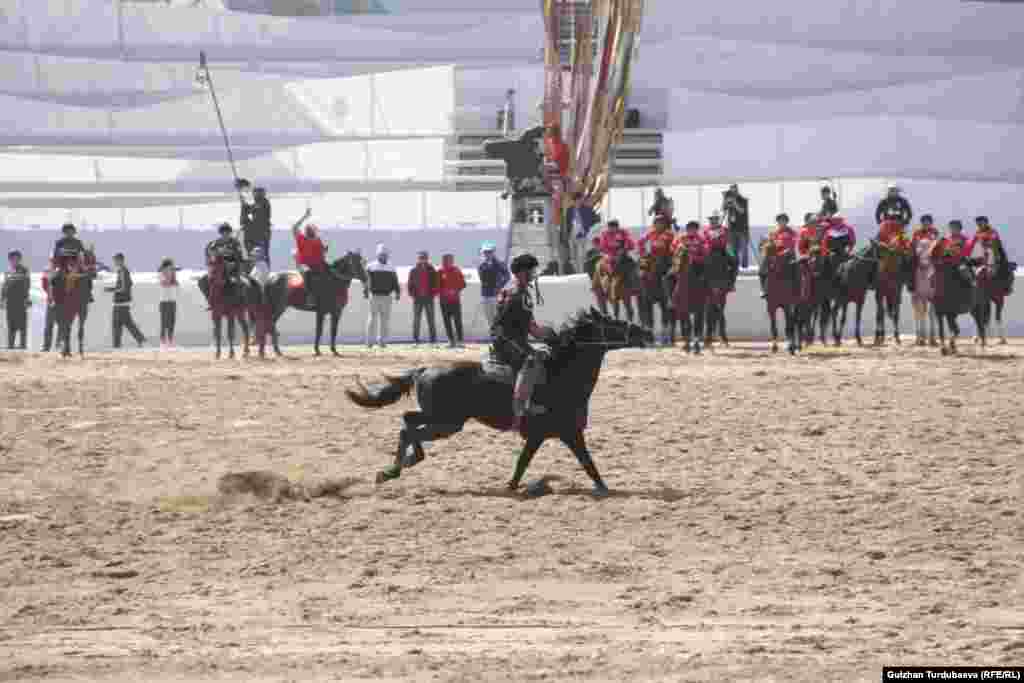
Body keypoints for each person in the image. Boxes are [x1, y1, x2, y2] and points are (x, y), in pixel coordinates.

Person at [489, 253, 556, 425]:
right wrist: (545, 334)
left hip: (513, 338)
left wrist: (548, 333)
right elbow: (528, 327)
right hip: (508, 339)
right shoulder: (517, 293)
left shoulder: (516, 289)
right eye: (530, 271)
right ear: (520, 273)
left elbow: (529, 324)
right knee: (532, 359)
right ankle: (521, 405)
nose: (533, 275)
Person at [199, 222, 245, 307]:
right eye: (223, 233)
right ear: (220, 233)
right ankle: (210, 300)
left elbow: (240, 258)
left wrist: (233, 264)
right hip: (217, 269)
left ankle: (240, 303)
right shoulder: (214, 244)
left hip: (232, 270)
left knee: (241, 284)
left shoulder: (235, 243)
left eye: (227, 232)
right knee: (202, 281)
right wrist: (213, 258)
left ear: (230, 233)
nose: (225, 234)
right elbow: (208, 255)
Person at [105, 252, 145, 348]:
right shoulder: (122, 271)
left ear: (120, 260)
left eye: (115, 260)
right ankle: (140, 340)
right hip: (122, 303)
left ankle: (117, 345)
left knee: (118, 325)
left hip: (121, 303)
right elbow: (125, 286)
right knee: (126, 324)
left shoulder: (123, 271)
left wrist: (111, 290)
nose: (114, 262)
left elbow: (123, 288)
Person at [365, 244, 400, 348]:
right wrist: (365, 291)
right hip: (374, 296)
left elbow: (395, 281)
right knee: (372, 319)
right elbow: (366, 281)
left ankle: (382, 342)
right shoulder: (370, 266)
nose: (383, 256)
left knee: (385, 320)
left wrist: (398, 292)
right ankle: (369, 342)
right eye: (381, 255)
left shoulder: (391, 267)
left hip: (387, 297)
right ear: (377, 255)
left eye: (385, 255)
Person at [290, 208, 326, 308]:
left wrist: (324, 252)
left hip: (317, 264)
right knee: (309, 274)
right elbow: (294, 227)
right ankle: (310, 297)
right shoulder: (301, 238)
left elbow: (322, 253)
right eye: (311, 231)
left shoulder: (317, 240)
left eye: (314, 231)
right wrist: (305, 216)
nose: (313, 233)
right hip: (304, 265)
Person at [759, 213, 798, 297]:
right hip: (775, 254)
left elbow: (794, 243)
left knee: (797, 269)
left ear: (786, 222)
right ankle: (763, 289)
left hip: (788, 254)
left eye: (783, 220)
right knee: (762, 269)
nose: (781, 222)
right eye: (780, 221)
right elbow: (768, 242)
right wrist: (765, 246)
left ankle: (797, 289)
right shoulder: (773, 232)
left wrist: (787, 250)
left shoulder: (791, 232)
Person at [407, 250, 440, 345]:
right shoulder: (413, 270)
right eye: (421, 258)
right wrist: (413, 295)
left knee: (431, 319)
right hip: (417, 299)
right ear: (418, 259)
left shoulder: (431, 269)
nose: (422, 259)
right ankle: (415, 339)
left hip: (429, 298)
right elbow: (410, 284)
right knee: (416, 320)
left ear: (427, 258)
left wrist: (433, 294)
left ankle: (433, 340)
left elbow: (436, 283)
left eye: (424, 257)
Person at [238, 179, 272, 266]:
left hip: (261, 234)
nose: (256, 194)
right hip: (251, 234)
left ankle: (264, 272)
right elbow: (246, 213)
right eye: (255, 192)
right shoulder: (257, 202)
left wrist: (245, 189)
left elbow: (252, 209)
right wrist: (243, 199)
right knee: (251, 255)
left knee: (262, 255)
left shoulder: (264, 202)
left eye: (259, 192)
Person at [1, 250, 31, 349]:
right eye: (12, 259)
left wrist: (27, 299)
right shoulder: (8, 272)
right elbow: (4, 287)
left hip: (21, 302)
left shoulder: (24, 270)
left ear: (19, 259)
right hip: (10, 303)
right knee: (11, 326)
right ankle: (10, 347)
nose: (14, 260)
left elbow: (27, 285)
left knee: (22, 326)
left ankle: (23, 346)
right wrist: (2, 299)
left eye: (16, 258)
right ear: (10, 260)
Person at [478, 243, 510, 333]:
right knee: (488, 316)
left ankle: (499, 335)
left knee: (497, 316)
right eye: (485, 252)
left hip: (495, 294)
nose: (487, 254)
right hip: (485, 294)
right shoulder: (482, 264)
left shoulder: (499, 263)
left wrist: (499, 286)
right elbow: (482, 278)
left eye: (489, 252)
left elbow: (507, 276)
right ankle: (493, 334)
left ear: (493, 252)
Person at [703, 212, 738, 290]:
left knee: (734, 261)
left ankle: (731, 282)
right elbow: (704, 240)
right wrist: (711, 240)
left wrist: (720, 237)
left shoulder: (723, 229)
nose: (713, 221)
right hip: (709, 250)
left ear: (718, 220)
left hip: (722, 250)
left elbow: (725, 240)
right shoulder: (706, 230)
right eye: (711, 219)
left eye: (715, 219)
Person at [438, 253, 466, 348]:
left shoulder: (457, 270)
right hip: (444, 301)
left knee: (457, 320)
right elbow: (437, 285)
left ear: (452, 261)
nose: (447, 262)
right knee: (447, 321)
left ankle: (460, 341)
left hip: (455, 300)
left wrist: (455, 290)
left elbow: (463, 284)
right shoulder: (440, 271)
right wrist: (443, 292)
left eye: (449, 260)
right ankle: (451, 341)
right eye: (445, 260)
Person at [566, 192, 600, 271]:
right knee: (573, 257)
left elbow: (595, 220)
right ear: (574, 201)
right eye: (577, 200)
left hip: (582, 236)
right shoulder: (570, 210)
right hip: (572, 236)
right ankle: (576, 271)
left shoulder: (587, 209)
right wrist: (567, 236)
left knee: (581, 256)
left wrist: (588, 230)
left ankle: (581, 272)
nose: (579, 202)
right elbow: (567, 223)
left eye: (580, 200)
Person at [722, 184, 750, 269]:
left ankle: (744, 265)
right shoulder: (729, 200)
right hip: (732, 228)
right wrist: (724, 199)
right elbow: (723, 209)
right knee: (733, 249)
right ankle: (735, 265)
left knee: (744, 248)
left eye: (734, 190)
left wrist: (734, 202)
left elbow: (741, 211)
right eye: (731, 190)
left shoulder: (743, 200)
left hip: (742, 228)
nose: (733, 192)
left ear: (737, 190)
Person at [158, 257, 180, 349]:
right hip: (164, 302)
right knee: (164, 323)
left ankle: (170, 341)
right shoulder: (161, 274)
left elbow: (176, 284)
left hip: (172, 301)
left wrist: (172, 276)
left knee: (172, 322)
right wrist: (170, 276)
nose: (172, 268)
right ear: (166, 267)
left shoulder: (172, 275)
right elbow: (165, 283)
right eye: (171, 266)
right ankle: (163, 342)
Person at [39, 259, 59, 352]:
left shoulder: (63, 269)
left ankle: (59, 346)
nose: (53, 262)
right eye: (52, 261)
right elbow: (44, 285)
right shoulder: (47, 270)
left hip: (61, 302)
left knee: (62, 326)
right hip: (51, 301)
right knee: (48, 325)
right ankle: (46, 347)